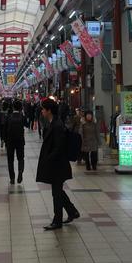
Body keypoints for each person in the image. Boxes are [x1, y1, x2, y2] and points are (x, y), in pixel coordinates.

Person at [36, 98, 80, 230]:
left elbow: (59, 147)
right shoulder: (53, 123)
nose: (42, 111)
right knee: (58, 191)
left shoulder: (57, 125)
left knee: (56, 193)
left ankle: (57, 221)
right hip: (56, 164)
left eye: (43, 109)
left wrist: (49, 158)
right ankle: (72, 212)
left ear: (49, 110)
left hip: (58, 165)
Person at [5, 100, 25, 185]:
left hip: (10, 141)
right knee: (20, 158)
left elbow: (5, 129)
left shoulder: (9, 117)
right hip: (20, 141)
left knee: (10, 160)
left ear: (13, 107)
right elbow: (26, 124)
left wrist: (4, 140)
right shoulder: (22, 117)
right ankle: (20, 172)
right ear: (20, 107)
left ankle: (12, 178)